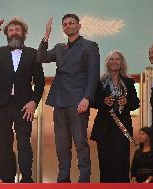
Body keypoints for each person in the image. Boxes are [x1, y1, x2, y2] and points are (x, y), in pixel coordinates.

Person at [0, 18, 45, 183]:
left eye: (17, 29)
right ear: (7, 34)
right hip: (0, 105)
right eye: (11, 30)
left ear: (23, 34)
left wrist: (34, 102)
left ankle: (27, 179)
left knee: (24, 143)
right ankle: (7, 181)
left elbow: (40, 82)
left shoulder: (33, 53)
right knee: (3, 143)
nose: (14, 32)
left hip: (24, 106)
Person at [37, 14, 100, 183]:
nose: (68, 26)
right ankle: (63, 178)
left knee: (80, 142)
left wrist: (87, 97)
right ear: (63, 29)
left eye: (71, 23)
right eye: (65, 24)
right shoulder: (59, 47)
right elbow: (41, 58)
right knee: (61, 144)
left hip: (78, 99)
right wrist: (46, 35)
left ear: (79, 26)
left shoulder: (89, 46)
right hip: (60, 99)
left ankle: (84, 179)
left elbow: (94, 74)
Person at [90, 50, 140, 182]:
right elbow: (92, 101)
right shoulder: (100, 81)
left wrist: (127, 102)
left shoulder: (129, 82)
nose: (114, 61)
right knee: (105, 164)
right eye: (111, 59)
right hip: (104, 128)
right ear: (107, 62)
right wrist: (103, 101)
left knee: (121, 162)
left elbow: (136, 103)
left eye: (117, 59)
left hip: (122, 128)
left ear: (122, 62)